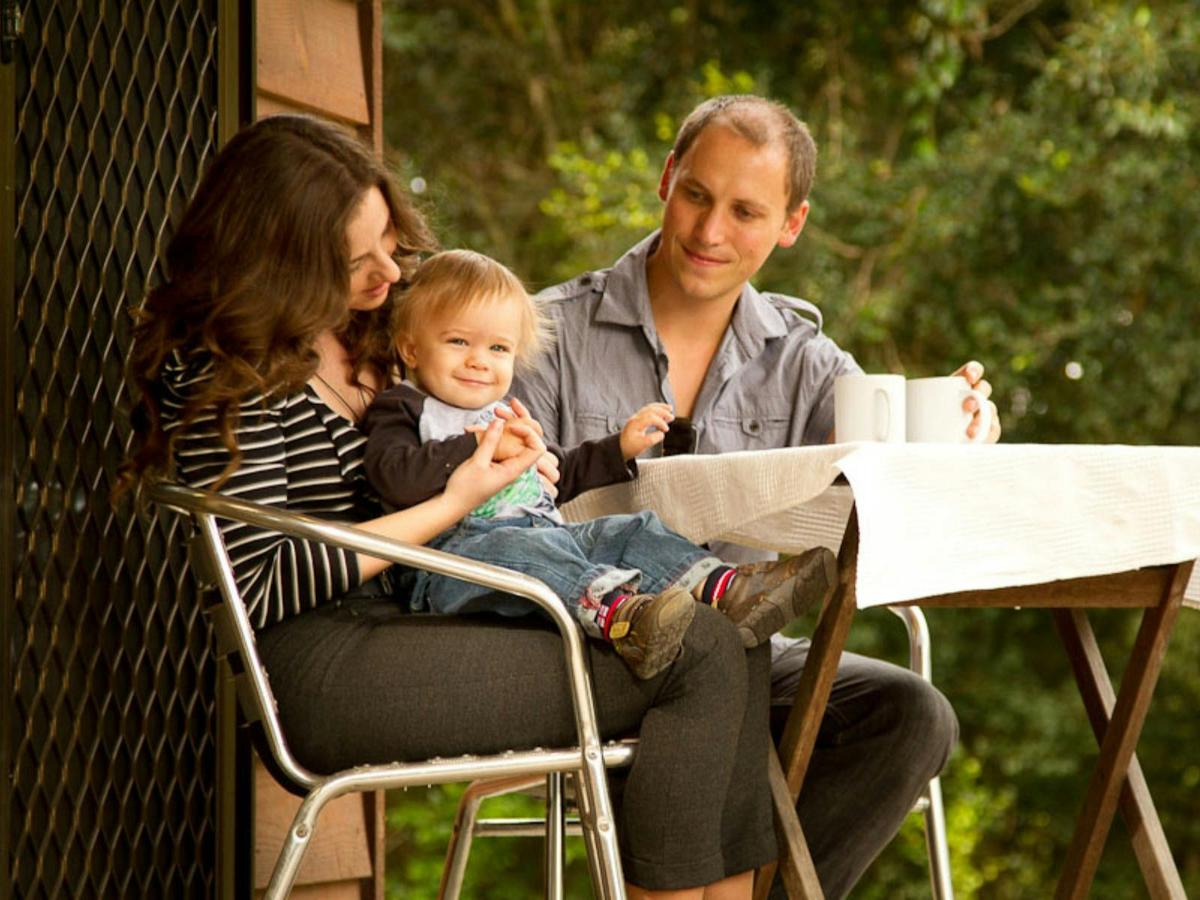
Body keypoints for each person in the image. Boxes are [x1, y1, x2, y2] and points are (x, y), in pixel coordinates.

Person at [118, 113, 781, 899]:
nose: (389, 275)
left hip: (422, 611)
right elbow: (262, 585)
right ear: (281, 262)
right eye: (354, 259)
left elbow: (475, 382)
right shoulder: (226, 369)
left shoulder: (373, 333)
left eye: (389, 246)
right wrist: (460, 495)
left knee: (739, 633)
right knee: (699, 650)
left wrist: (517, 453)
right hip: (324, 664)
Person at [514, 94, 998, 898]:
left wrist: (960, 426)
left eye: (745, 211)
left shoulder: (805, 358)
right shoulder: (547, 335)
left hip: (737, 656)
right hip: (585, 650)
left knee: (911, 717)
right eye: (697, 195)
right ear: (667, 180)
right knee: (713, 685)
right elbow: (498, 512)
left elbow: (878, 461)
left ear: (791, 224)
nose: (709, 233)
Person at [358, 248, 838, 679]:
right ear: (413, 349)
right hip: (448, 564)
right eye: (459, 342)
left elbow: (558, 475)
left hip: (542, 536)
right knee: (528, 552)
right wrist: (477, 445)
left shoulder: (506, 413)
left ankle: (724, 588)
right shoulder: (406, 407)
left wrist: (618, 448)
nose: (480, 361)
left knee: (628, 530)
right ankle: (624, 616)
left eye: (498, 348)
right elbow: (393, 477)